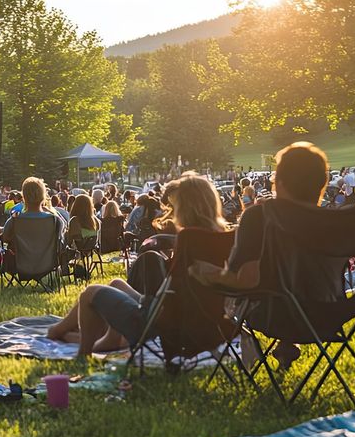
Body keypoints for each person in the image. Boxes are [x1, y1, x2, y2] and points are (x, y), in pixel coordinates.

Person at [189, 142, 335, 370]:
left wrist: (210, 274)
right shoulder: (332, 221)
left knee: (215, 286)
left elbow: (245, 280)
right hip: (331, 314)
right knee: (287, 288)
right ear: (322, 183)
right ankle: (286, 348)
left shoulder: (259, 217)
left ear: (281, 183)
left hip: (274, 315)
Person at [48, 173, 230, 355]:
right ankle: (106, 340)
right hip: (199, 319)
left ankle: (79, 350)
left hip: (164, 318)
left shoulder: (189, 238)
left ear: (186, 208)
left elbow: (172, 286)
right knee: (116, 283)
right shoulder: (222, 238)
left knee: (89, 293)